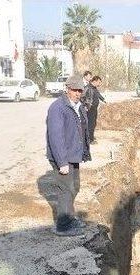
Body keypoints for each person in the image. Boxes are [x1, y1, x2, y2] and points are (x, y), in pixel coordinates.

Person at [45, 75, 91, 237]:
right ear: (67, 89)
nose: (78, 93)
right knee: (65, 189)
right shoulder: (58, 108)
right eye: (75, 90)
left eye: (80, 90)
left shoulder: (77, 106)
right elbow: (56, 137)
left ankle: (70, 217)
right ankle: (62, 226)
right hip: (63, 157)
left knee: (75, 187)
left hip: (74, 155)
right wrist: (62, 162)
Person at [81, 76, 106, 144]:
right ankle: (90, 140)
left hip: (94, 109)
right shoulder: (87, 87)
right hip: (89, 109)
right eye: (99, 82)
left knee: (93, 123)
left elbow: (98, 94)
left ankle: (91, 136)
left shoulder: (94, 88)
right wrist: (85, 105)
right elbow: (82, 97)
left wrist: (103, 99)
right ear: (94, 81)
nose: (99, 84)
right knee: (90, 124)